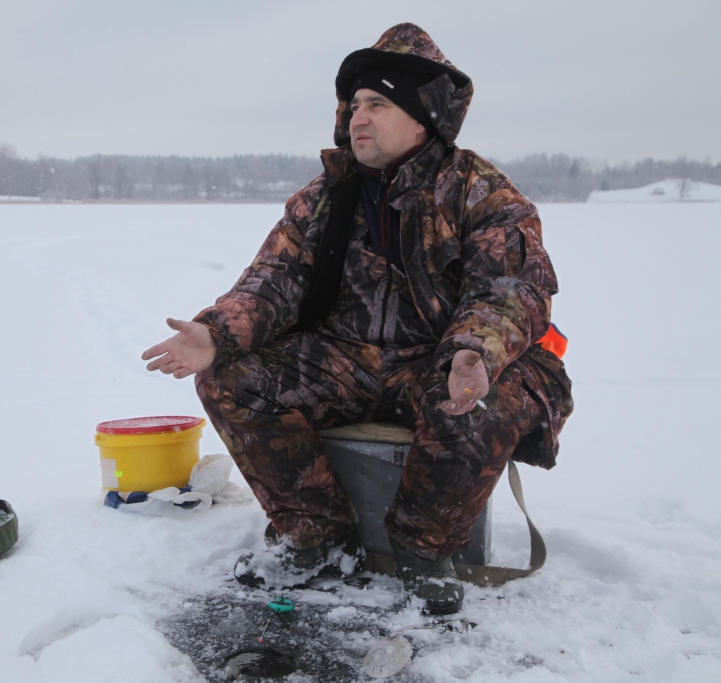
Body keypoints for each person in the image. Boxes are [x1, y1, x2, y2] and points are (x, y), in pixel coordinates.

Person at [142, 23, 572, 615]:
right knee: (230, 379)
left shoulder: (482, 193)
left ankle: (422, 553)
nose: (357, 118)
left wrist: (474, 351)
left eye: (378, 104)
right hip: (349, 358)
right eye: (354, 105)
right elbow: (276, 279)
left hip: (441, 360)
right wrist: (218, 333)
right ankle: (317, 536)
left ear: (422, 120)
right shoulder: (326, 194)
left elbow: (510, 289)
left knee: (481, 401)